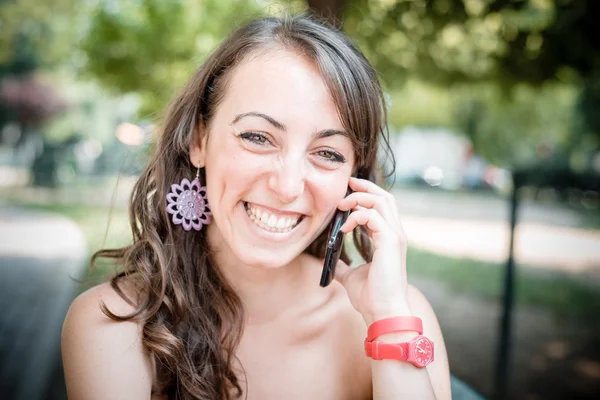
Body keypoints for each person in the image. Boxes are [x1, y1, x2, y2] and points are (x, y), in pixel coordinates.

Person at [61, 14, 451, 400]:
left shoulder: (400, 317)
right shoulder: (114, 324)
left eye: (328, 153)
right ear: (200, 140)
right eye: (257, 137)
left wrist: (390, 326)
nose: (287, 186)